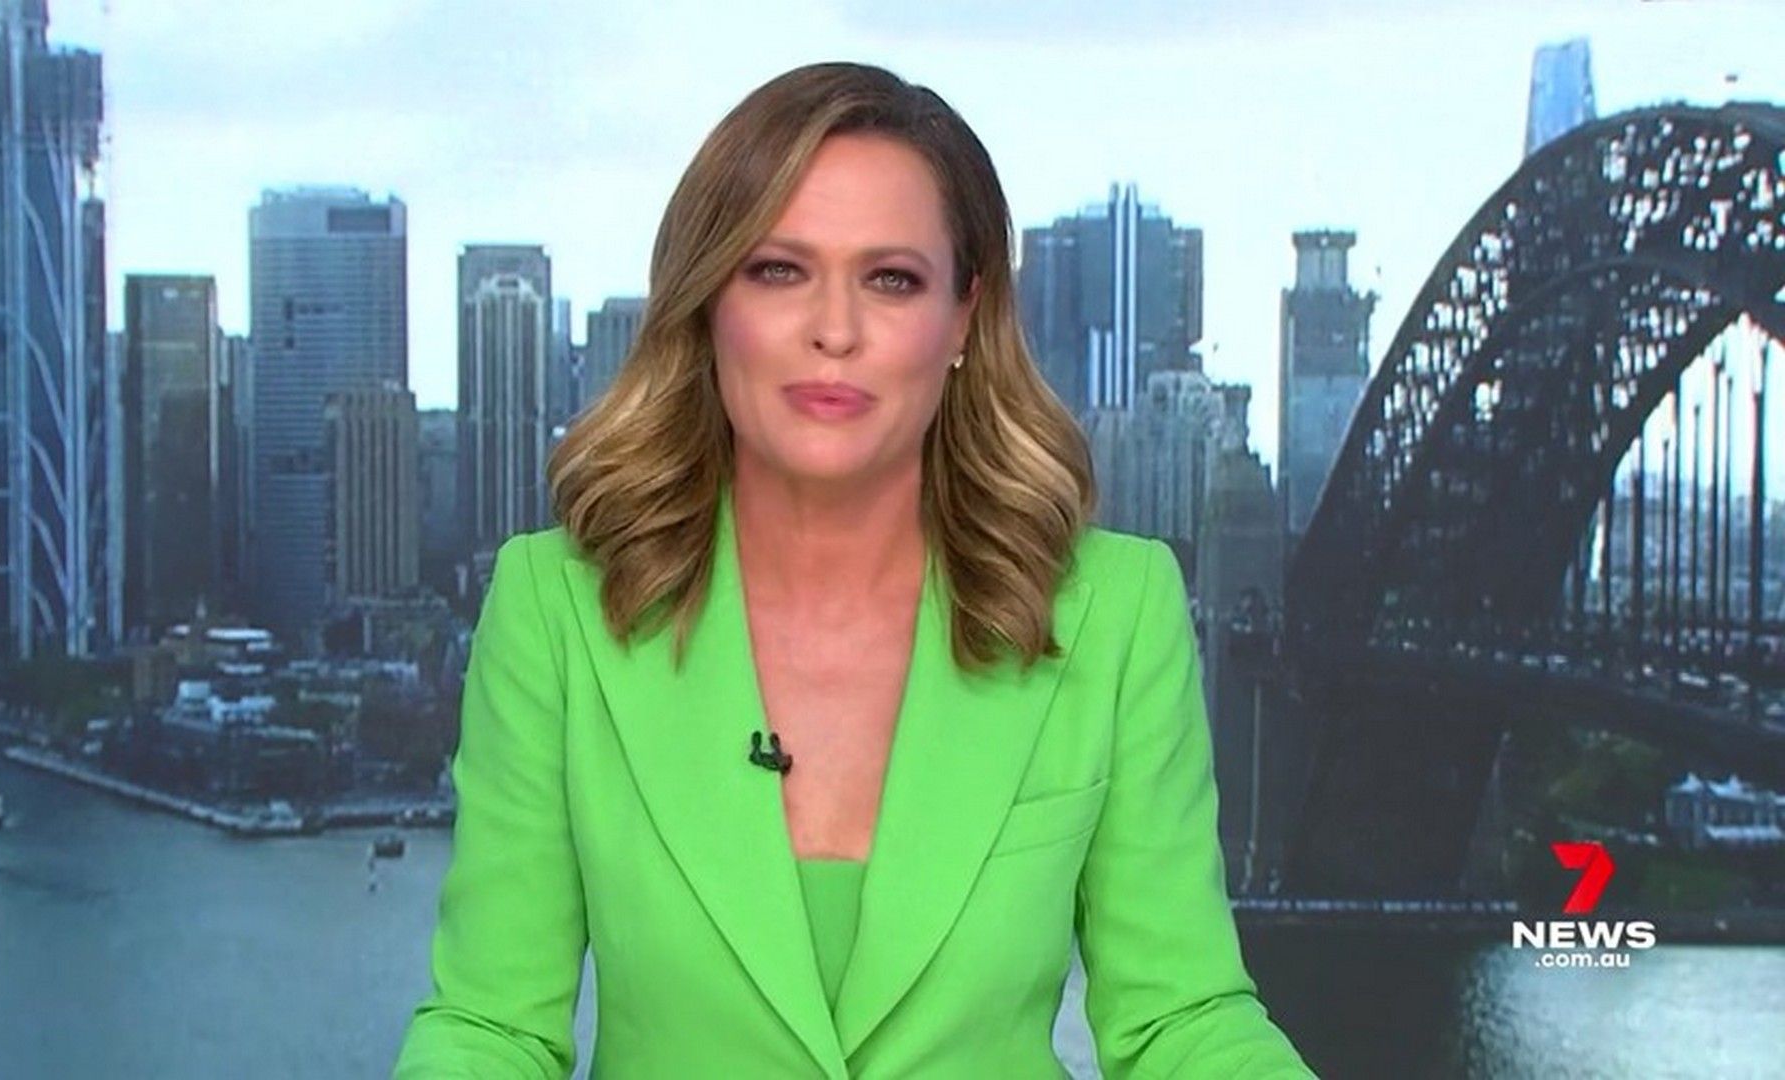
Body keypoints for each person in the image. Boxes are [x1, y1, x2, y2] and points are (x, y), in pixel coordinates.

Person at [394, 61, 1315, 1079]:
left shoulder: (1115, 614)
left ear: (963, 318)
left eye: (892, 279)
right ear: (708, 302)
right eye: (778, 270)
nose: (834, 330)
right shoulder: (557, 610)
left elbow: (1181, 1020)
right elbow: (491, 1026)